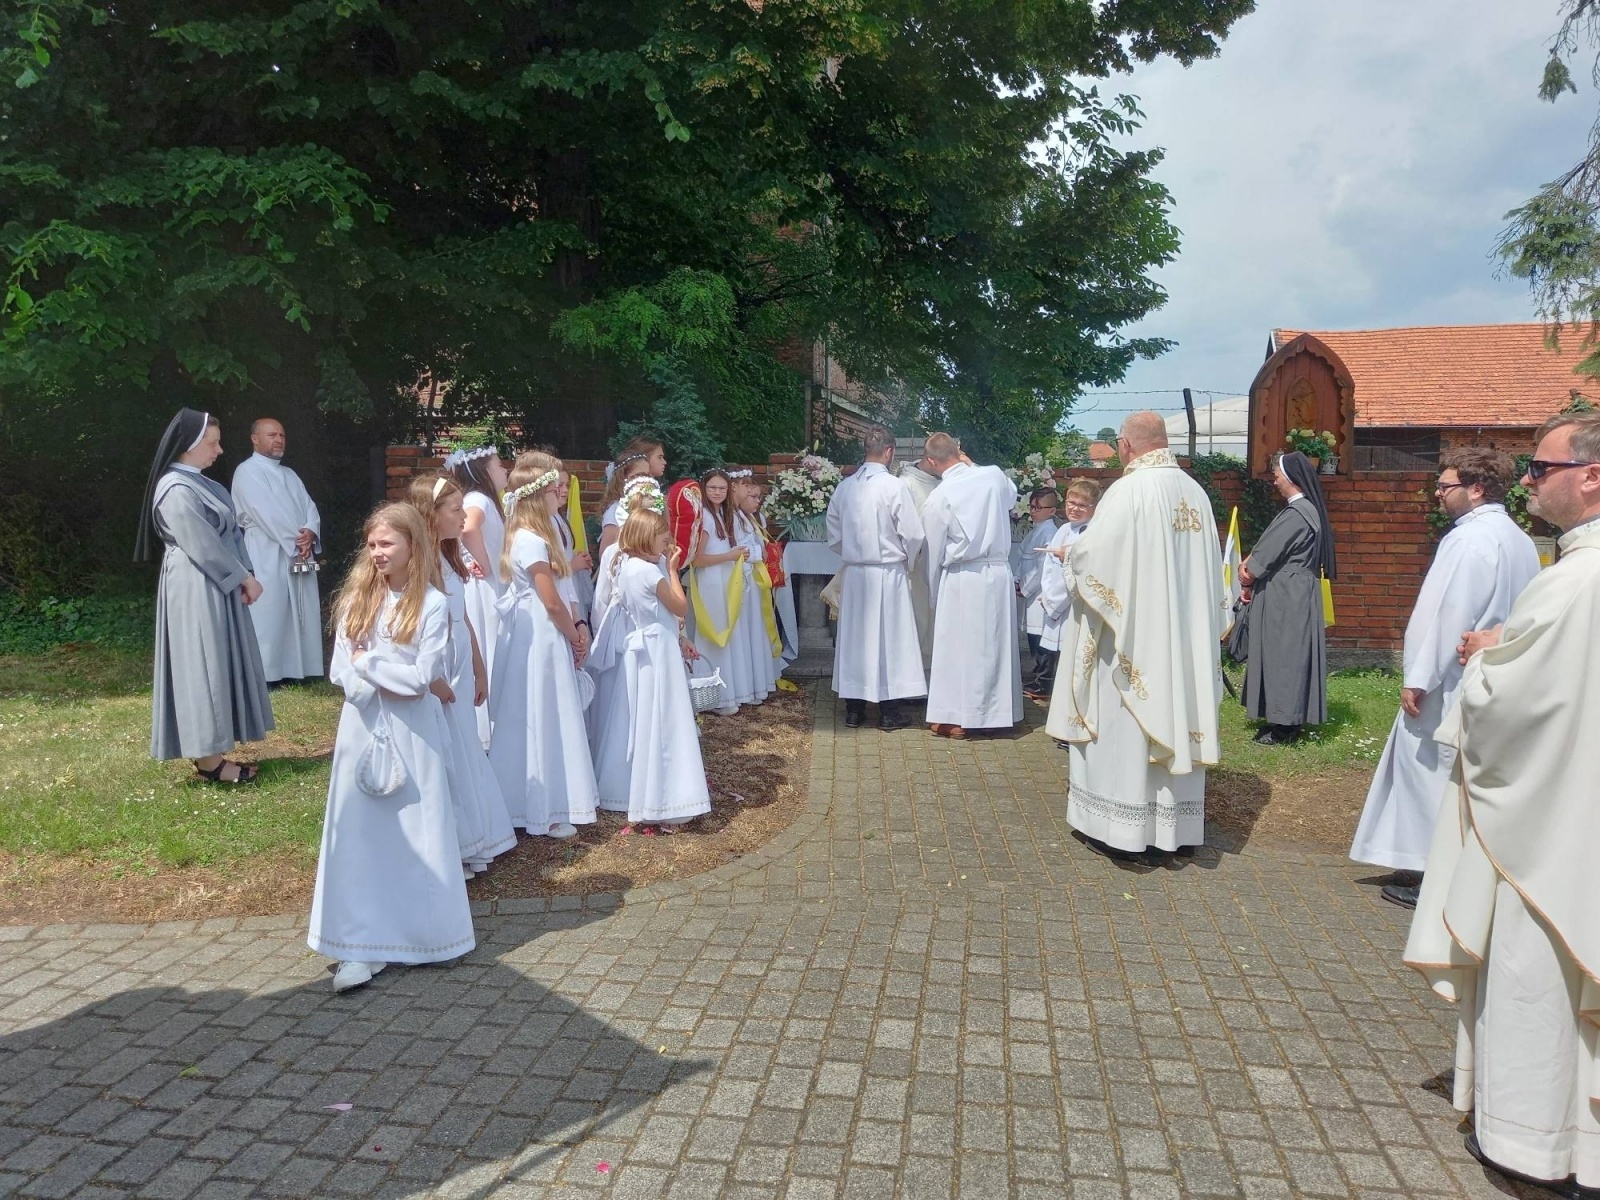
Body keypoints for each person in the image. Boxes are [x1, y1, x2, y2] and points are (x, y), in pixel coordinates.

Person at [1402, 412, 1600, 1194]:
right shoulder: (1561, 569)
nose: (1529, 481)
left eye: (1540, 468)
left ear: (1590, 475)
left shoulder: (1576, 582)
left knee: (1538, 966)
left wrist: (1485, 661)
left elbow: (1509, 707)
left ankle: (1535, 1138)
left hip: (1552, 826)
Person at [1349, 449, 1538, 908]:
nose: (1437, 493)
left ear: (1476, 488)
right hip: (1488, 676)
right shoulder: (1516, 539)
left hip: (1450, 677)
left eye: (1445, 486)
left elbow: (1446, 613)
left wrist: (1419, 677)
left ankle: (1430, 872)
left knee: (1429, 774)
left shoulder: (1470, 540)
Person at [308, 503, 475, 993]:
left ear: (412, 547)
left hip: (413, 732)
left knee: (415, 829)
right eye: (373, 544)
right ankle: (360, 944)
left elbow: (421, 679)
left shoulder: (432, 605)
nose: (378, 553)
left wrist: (369, 661)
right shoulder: (358, 600)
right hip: (362, 728)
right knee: (361, 835)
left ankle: (423, 935)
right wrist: (370, 669)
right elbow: (342, 669)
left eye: (388, 544)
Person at [1044, 412, 1225, 860]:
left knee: (1125, 725)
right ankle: (1175, 831)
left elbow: (1095, 561)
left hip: (1134, 643)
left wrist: (1070, 555)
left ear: (1125, 445)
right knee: (1173, 713)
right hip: (1180, 644)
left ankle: (1121, 830)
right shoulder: (1195, 492)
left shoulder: (1127, 491)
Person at [135, 409, 274, 784]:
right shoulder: (175, 489)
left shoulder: (202, 484)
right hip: (195, 584)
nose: (219, 450)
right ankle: (209, 762)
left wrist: (246, 574)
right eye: (212, 443)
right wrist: (242, 578)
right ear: (190, 446)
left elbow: (230, 534)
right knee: (202, 663)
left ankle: (214, 748)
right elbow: (201, 542)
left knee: (216, 660)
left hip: (214, 581)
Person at [407, 474, 518, 878]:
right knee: (445, 747)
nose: (463, 516)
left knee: (465, 741)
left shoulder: (448, 556)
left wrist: (478, 663)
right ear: (430, 514)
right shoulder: (418, 561)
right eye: (455, 510)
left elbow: (464, 615)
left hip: (459, 656)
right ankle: (453, 840)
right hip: (437, 662)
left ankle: (476, 834)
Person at [488, 453, 599, 838]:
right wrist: (573, 634)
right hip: (540, 631)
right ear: (539, 497)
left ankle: (542, 798)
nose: (560, 495)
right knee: (539, 710)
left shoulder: (531, 536)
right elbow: (550, 600)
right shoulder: (531, 540)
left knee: (538, 709)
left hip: (537, 628)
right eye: (555, 490)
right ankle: (540, 808)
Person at [590, 508, 712, 830]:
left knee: (640, 720)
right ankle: (667, 797)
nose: (668, 542)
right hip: (657, 650)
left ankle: (631, 788)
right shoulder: (649, 572)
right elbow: (679, 605)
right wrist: (672, 569)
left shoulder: (626, 566)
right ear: (647, 538)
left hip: (643, 646)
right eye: (663, 538)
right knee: (664, 719)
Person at [824, 424, 926, 731]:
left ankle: (854, 710)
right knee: (890, 640)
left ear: (865, 450)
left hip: (857, 573)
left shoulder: (845, 486)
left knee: (856, 640)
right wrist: (907, 562)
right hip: (887, 572)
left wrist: (855, 554)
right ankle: (888, 711)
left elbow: (834, 533)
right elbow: (912, 533)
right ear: (890, 452)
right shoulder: (895, 487)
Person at [920, 433, 1023, 738]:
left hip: (963, 576)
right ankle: (999, 714)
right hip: (998, 571)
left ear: (930, 461)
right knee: (994, 646)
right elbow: (1011, 495)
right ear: (959, 451)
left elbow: (934, 550)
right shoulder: (992, 475)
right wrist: (973, 463)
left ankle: (960, 717)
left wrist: (935, 589)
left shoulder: (939, 497)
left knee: (960, 650)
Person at [1238, 450, 1336, 745]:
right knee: (1287, 655)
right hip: (1293, 591)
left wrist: (1247, 572)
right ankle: (1282, 719)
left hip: (1287, 595)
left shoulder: (1297, 514)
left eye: (1277, 475)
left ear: (1292, 478)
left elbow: (1265, 555)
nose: (1275, 480)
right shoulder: (1305, 511)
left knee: (1285, 657)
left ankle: (1284, 727)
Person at [229, 418, 324, 684]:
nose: (279, 439)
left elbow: (309, 507)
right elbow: (264, 511)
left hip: (297, 550)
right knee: (269, 610)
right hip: (265, 550)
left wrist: (310, 532)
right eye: (272, 435)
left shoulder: (290, 474)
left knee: (300, 609)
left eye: (282, 435)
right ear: (255, 439)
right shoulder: (247, 472)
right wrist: (297, 540)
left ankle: (300, 669)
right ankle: (267, 673)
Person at [689, 468, 773, 712]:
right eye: (712, 488)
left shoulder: (723, 514)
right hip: (712, 580)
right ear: (704, 490)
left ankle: (732, 692)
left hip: (726, 579)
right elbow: (697, 559)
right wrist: (730, 555)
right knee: (716, 636)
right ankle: (715, 697)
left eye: (722, 488)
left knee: (730, 637)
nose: (717, 492)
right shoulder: (704, 517)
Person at [447, 445, 509, 749]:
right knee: (487, 644)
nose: (505, 471)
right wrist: (482, 561)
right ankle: (485, 726)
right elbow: (469, 528)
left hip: (491, 584)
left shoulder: (486, 500)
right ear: (484, 471)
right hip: (483, 587)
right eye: (499, 466)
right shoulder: (477, 499)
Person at [1031, 478, 1099, 701]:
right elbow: (1049, 567)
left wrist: (1067, 557)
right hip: (1056, 602)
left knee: (1074, 662)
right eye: (1071, 502)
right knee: (1056, 658)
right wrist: (1048, 595)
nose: (1075, 509)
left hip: (1073, 608)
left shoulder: (1093, 532)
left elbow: (1091, 567)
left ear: (1094, 508)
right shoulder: (1063, 529)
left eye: (1082, 505)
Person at [897, 450, 942, 672]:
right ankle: (913, 676)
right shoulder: (906, 482)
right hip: (914, 565)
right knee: (917, 620)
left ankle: (932, 674)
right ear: (930, 459)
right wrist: (914, 558)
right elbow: (904, 526)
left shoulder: (941, 482)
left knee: (934, 622)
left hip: (937, 565)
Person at [1014, 485, 1059, 693]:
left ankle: (1044, 681)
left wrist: (1024, 587)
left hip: (1039, 593)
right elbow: (1022, 558)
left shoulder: (1050, 533)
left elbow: (1042, 567)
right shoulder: (1036, 531)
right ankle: (1039, 677)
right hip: (1029, 591)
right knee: (1034, 636)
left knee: (1041, 638)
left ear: (1051, 510)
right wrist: (1016, 580)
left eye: (1039, 507)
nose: (1033, 511)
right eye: (1032, 506)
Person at [597, 437, 667, 555]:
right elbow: (605, 553)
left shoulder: (653, 505)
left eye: (648, 475)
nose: (644, 479)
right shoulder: (616, 510)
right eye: (638, 475)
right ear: (623, 478)